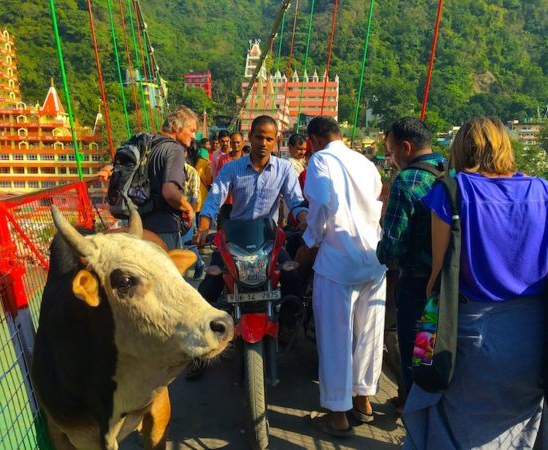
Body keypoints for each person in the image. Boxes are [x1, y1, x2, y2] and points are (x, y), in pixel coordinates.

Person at [402, 117, 548, 449]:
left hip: (468, 338)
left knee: (457, 427)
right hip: (532, 337)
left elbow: (438, 278)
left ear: (461, 147)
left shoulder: (450, 193)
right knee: (522, 429)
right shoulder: (544, 191)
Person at [303, 116, 386, 437]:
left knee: (336, 336)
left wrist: (311, 241)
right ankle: (364, 401)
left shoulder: (320, 160)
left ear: (314, 140)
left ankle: (338, 414)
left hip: (338, 261)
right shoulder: (366, 164)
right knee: (368, 334)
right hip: (372, 260)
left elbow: (322, 202)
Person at [196, 115, 307, 304]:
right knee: (209, 287)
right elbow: (214, 199)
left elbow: (295, 202)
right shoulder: (232, 168)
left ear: (276, 141)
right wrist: (203, 228)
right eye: (259, 137)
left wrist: (304, 220)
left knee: (293, 280)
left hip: (268, 240)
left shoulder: (285, 169)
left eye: (269, 139)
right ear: (251, 137)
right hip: (234, 241)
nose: (264, 143)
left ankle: (288, 327)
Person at [376, 118, 447, 404]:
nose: (391, 160)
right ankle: (429, 405)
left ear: (406, 148)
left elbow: (392, 248)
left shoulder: (407, 180)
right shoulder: (451, 171)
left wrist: (380, 251)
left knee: (415, 351)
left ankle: (413, 407)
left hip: (418, 288)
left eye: (391, 153)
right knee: (434, 350)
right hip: (451, 284)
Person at [140, 106, 197, 250]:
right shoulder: (174, 149)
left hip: (139, 225)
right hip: (164, 227)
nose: (194, 136)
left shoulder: (148, 144)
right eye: (191, 130)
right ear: (175, 127)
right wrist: (188, 208)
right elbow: (169, 192)